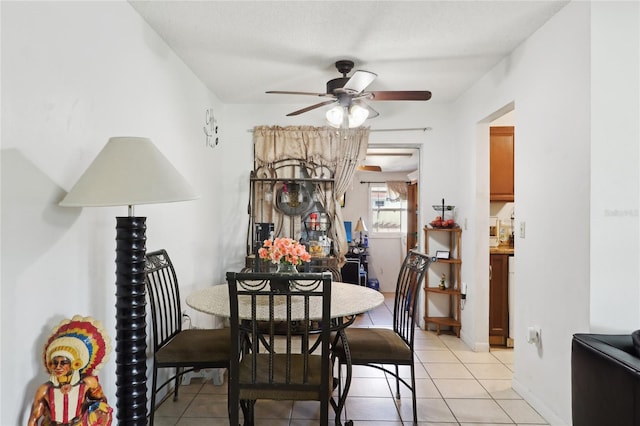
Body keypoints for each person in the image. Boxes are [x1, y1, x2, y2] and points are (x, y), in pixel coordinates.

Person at [28, 315, 112, 426]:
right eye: (55, 363)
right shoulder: (44, 389)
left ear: (74, 364)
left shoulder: (88, 382)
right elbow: (34, 418)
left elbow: (102, 404)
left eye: (63, 362)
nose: (58, 367)